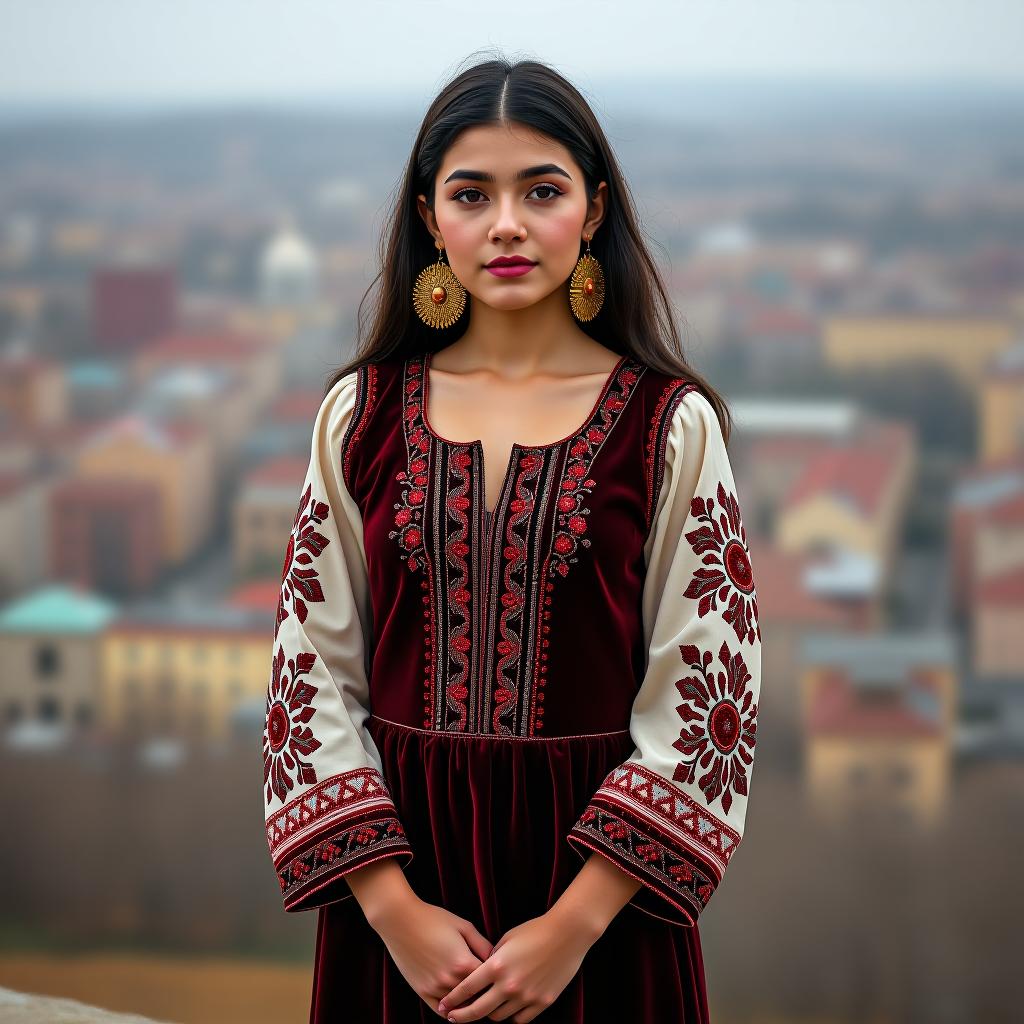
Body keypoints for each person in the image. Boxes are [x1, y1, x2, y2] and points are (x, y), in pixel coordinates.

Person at [263, 55, 762, 1024]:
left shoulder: (669, 425)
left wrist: (571, 927)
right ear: (426, 217)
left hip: (604, 908)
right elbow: (308, 675)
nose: (505, 224)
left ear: (594, 208)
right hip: (401, 898)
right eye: (470, 193)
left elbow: (710, 696)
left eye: (541, 190)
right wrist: (392, 910)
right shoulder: (357, 415)